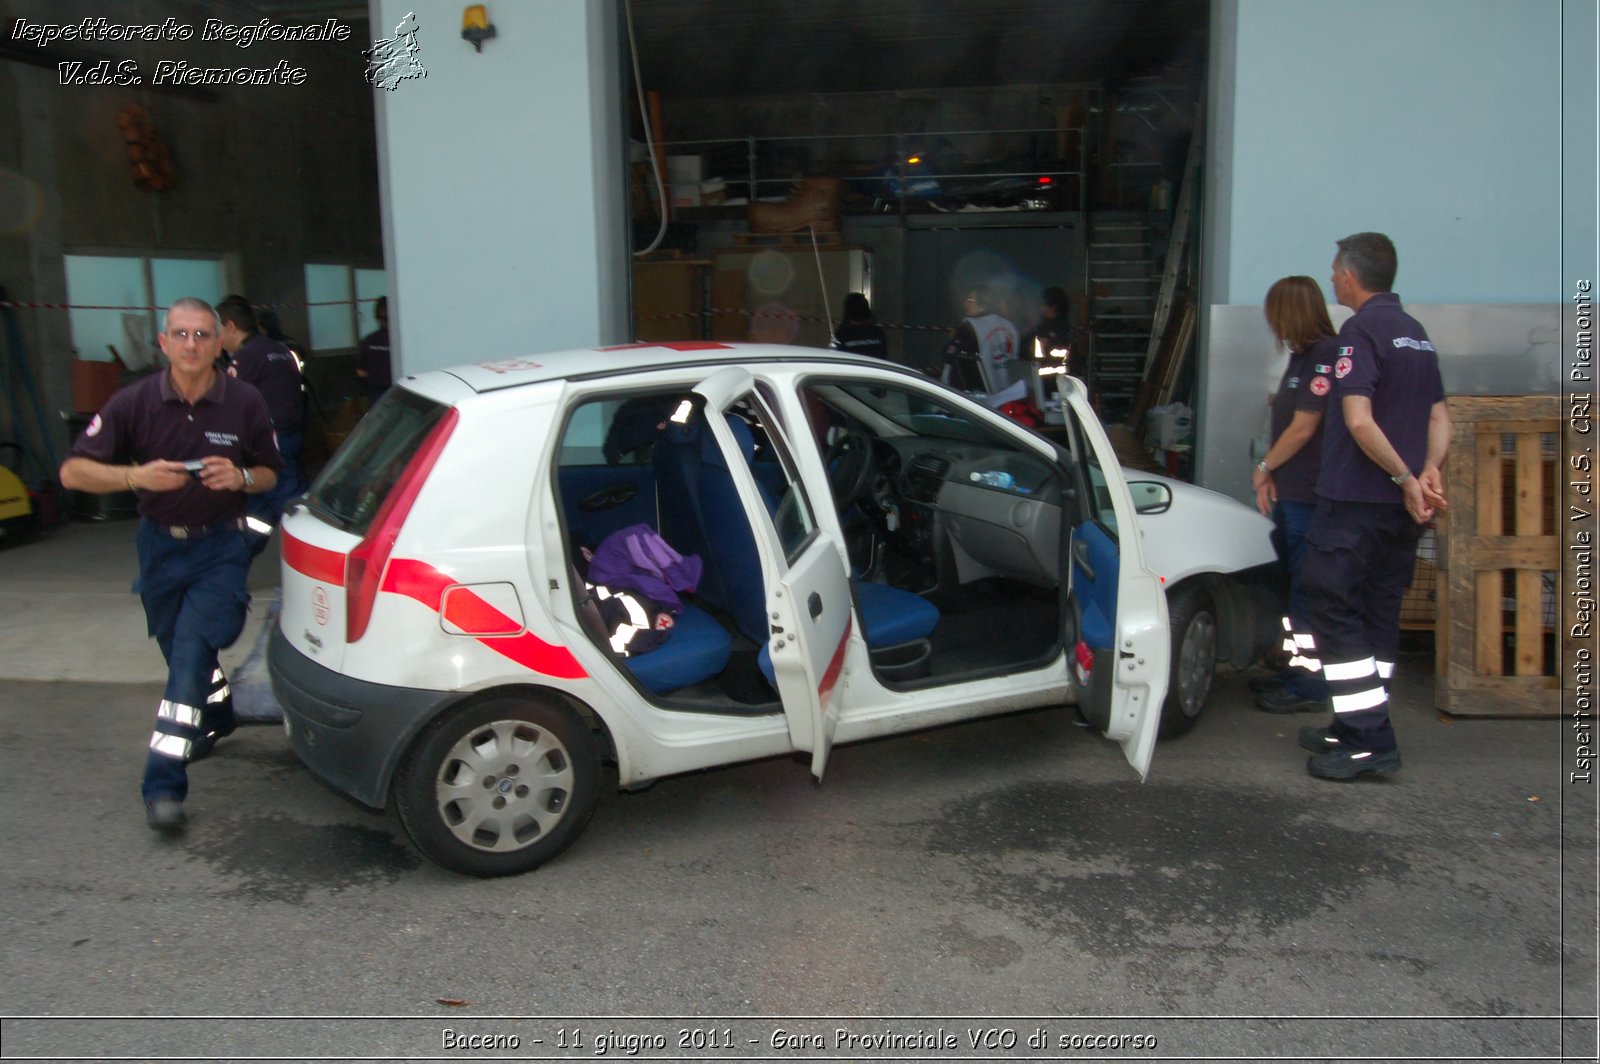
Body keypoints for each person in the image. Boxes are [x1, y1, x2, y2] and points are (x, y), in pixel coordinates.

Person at [60, 297, 282, 831]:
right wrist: (135, 477)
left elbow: (273, 473)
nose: (191, 344)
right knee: (176, 646)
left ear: (218, 342)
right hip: (159, 547)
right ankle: (221, 712)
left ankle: (162, 785)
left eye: (202, 335)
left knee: (187, 656)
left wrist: (243, 479)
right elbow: (72, 473)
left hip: (219, 550)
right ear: (163, 343)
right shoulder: (133, 403)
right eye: (180, 335)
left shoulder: (244, 401)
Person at [1298, 232, 1450, 780]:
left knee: (1335, 609)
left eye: (1336, 269)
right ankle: (1354, 720)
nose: (1333, 276)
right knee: (1379, 615)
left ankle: (1368, 742)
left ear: (1350, 276)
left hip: (1356, 504)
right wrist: (1427, 471)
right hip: (1398, 514)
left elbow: (1358, 419)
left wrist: (1407, 476)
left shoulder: (1359, 332)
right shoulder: (1415, 334)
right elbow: (1439, 418)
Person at [1250, 276, 1337, 714]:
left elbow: (1304, 428)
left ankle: (1310, 686)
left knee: (1307, 593)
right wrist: (1270, 472)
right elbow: (1285, 426)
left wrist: (1265, 467)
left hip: (1311, 497)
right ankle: (1296, 672)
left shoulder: (1324, 355)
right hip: (1292, 495)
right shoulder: (1301, 358)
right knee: (1292, 590)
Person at [217, 296, 306, 554]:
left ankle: (314, 559)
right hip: (290, 434)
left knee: (293, 509)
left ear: (231, 326)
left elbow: (227, 401)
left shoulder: (246, 358)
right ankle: (234, 558)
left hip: (270, 445)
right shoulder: (280, 350)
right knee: (257, 509)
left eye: (219, 331)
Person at [940, 283, 1019, 393]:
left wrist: (952, 339)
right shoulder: (1009, 326)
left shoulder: (970, 326)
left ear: (983, 303)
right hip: (1006, 391)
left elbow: (949, 355)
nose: (964, 304)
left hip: (978, 394)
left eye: (970, 300)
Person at [355, 296, 392, 404]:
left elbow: (360, 372)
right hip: (401, 392)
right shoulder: (402, 340)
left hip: (377, 392)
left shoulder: (369, 340)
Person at [830, 292, 888, 359]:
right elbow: (883, 356)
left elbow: (835, 357)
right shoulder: (878, 332)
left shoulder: (842, 334)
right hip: (875, 369)